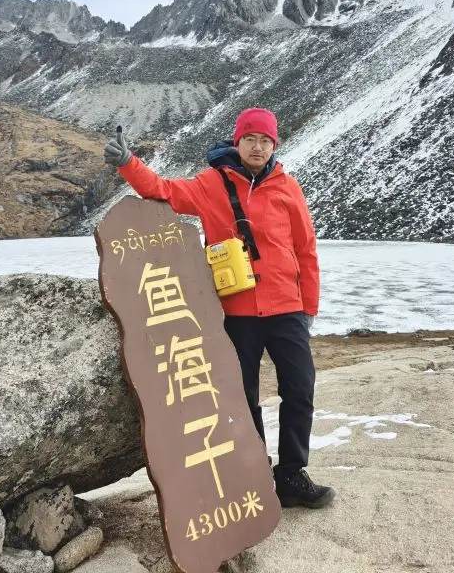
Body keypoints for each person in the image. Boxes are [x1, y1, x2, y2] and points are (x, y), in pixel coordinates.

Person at [103, 107, 335, 509]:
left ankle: (292, 475)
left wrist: (307, 307)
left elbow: (305, 249)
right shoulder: (211, 184)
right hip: (237, 313)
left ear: (274, 145)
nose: (258, 147)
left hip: (287, 310)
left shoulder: (287, 187)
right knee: (242, 397)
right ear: (237, 141)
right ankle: (255, 472)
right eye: (250, 139)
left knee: (300, 390)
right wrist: (129, 164)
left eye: (265, 140)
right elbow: (162, 191)